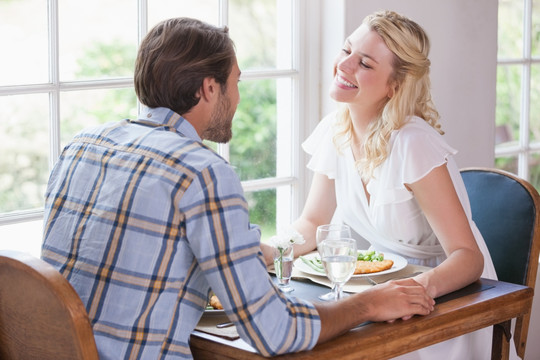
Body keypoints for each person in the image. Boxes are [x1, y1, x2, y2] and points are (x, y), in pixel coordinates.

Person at [40, 17, 434, 359]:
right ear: (210, 89)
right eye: (236, 82)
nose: (239, 97)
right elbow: (274, 331)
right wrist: (367, 303)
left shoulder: (81, 145)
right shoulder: (202, 173)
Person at [262, 9, 516, 360]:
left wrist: (411, 291)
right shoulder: (336, 131)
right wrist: (271, 250)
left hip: (447, 296)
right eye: (347, 50)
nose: (344, 65)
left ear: (394, 86)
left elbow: (467, 257)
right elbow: (312, 222)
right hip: (388, 289)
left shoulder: (414, 143)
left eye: (365, 64)